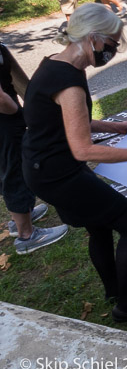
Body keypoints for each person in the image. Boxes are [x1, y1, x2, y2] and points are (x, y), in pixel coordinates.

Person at [21, 3, 127, 321]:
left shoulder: (59, 65)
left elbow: (72, 121)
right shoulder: (68, 82)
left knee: (98, 227)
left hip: (47, 165)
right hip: (57, 173)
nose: (112, 50)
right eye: (111, 44)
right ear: (92, 38)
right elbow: (83, 149)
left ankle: (117, 289)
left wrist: (117, 127)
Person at [1, 42, 68, 255]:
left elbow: (18, 80)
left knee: (9, 168)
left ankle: (20, 217)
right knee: (15, 171)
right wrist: (16, 114)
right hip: (4, 121)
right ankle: (26, 235)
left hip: (8, 118)